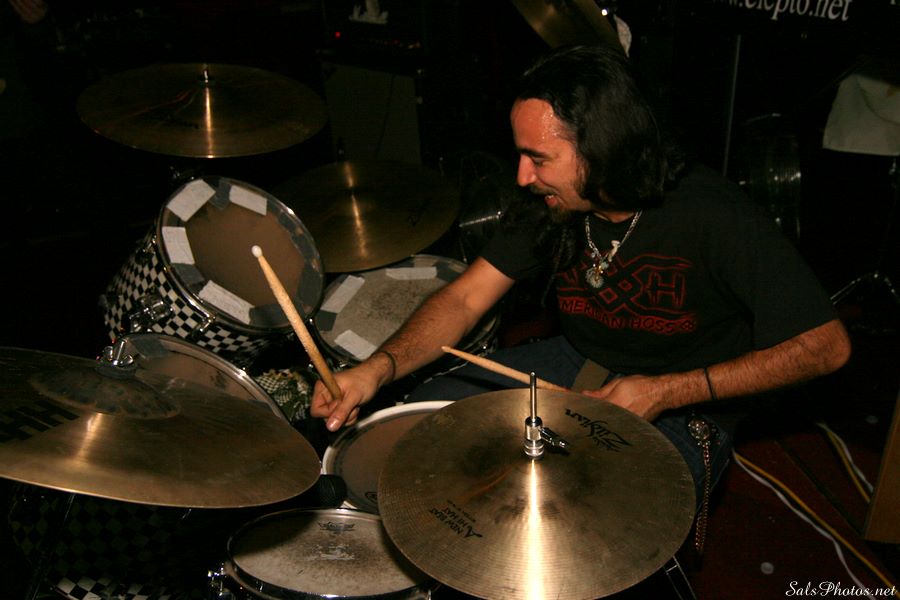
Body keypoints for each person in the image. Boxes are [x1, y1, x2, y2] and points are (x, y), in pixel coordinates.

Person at [311, 43, 851, 510]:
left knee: (587, 514)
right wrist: (377, 368)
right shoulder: (550, 204)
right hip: (576, 362)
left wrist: (666, 390)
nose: (523, 176)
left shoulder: (713, 215)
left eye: (538, 158)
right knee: (421, 430)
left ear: (602, 148)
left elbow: (826, 347)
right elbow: (466, 298)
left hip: (686, 402)